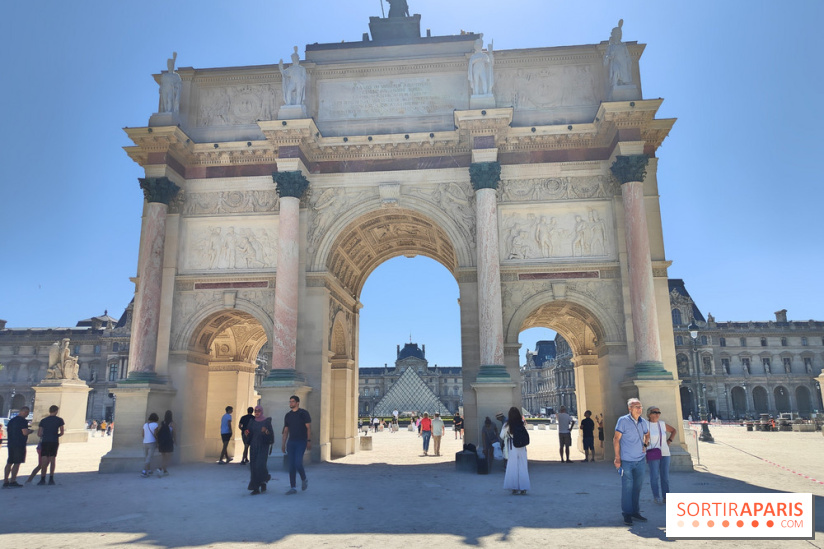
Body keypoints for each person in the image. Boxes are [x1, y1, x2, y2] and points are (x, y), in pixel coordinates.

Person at [614, 397, 650, 525]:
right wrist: (617, 458)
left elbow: (647, 434)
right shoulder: (622, 421)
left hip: (640, 460)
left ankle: (635, 512)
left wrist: (645, 446)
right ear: (630, 408)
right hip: (626, 461)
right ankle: (627, 513)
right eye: (636, 407)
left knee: (637, 488)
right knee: (627, 488)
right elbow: (616, 439)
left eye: (640, 407)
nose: (639, 409)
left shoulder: (643, 422)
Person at [646, 406, 677, 505]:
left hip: (665, 452)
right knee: (654, 476)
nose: (657, 414)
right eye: (655, 412)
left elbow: (673, 430)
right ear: (649, 414)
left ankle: (666, 497)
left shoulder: (662, 424)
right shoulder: (645, 425)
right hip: (653, 452)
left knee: (665, 477)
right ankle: (656, 496)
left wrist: (669, 440)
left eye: (658, 412)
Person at [282, 395, 311, 495]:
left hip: (301, 441)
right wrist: (283, 443)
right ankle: (293, 487)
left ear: (297, 403)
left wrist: (309, 441)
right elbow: (286, 430)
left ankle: (304, 478)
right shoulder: (288, 415)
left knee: (298, 462)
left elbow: (308, 428)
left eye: (292, 401)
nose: (290, 403)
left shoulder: (304, 413)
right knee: (291, 465)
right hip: (291, 442)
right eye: (290, 401)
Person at [245, 405, 274, 495]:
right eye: (255, 411)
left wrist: (266, 432)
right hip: (254, 446)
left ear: (261, 411)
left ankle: (264, 479)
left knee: (260, 465)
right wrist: (246, 434)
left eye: (258, 411)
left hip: (263, 446)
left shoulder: (266, 422)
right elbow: (248, 434)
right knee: (253, 467)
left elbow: (271, 436)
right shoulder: (252, 422)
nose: (256, 412)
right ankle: (257, 487)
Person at [502, 407, 530, 495]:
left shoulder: (507, 425)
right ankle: (523, 487)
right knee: (523, 467)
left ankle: (514, 487)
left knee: (512, 467)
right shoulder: (522, 423)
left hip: (513, 447)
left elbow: (502, 436)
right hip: (522, 447)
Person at [3, 406, 32, 488]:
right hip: (19, 444)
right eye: (27, 413)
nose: (27, 415)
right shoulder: (23, 421)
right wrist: (30, 431)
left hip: (11, 443)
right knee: (17, 463)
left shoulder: (11, 421)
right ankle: (13, 480)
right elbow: (25, 432)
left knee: (9, 462)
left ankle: (5, 480)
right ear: (25, 412)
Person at [37, 405, 65, 485]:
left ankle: (42, 479)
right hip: (54, 441)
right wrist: (57, 435)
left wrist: (45, 436)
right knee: (52, 459)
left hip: (45, 441)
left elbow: (39, 434)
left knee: (44, 460)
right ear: (56, 411)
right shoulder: (59, 420)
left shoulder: (43, 420)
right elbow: (62, 432)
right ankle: (51, 479)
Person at [156, 410, 175, 476]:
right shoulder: (172, 423)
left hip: (162, 442)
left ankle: (165, 470)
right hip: (168, 441)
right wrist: (175, 440)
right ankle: (160, 468)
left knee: (163, 456)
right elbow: (174, 432)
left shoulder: (162, 422)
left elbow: (158, 431)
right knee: (167, 457)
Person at [141, 412, 159, 478]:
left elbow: (142, 434)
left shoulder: (145, 425)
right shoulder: (155, 424)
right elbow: (156, 434)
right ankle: (144, 471)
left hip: (145, 442)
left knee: (146, 457)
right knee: (149, 458)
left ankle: (148, 470)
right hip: (152, 442)